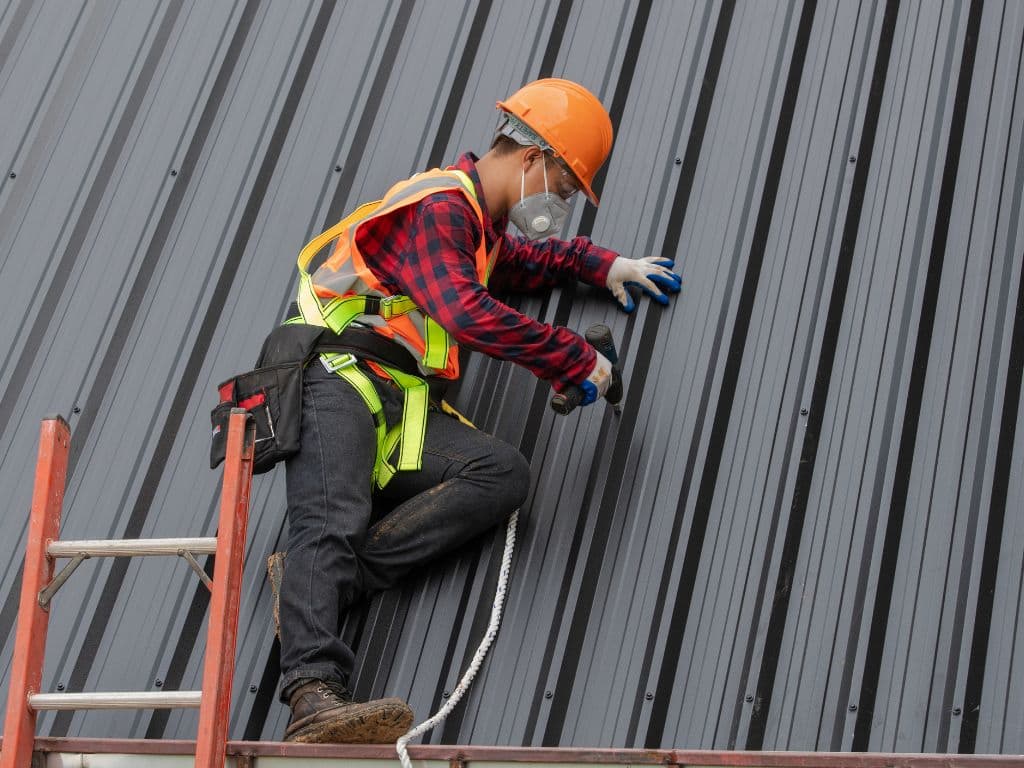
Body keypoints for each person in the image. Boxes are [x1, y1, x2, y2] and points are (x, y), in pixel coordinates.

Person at [273, 78, 681, 744]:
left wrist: (600, 264)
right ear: (530, 161)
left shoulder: (478, 232)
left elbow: (520, 265)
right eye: (566, 186)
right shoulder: (442, 208)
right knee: (332, 515)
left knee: (501, 475)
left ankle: (316, 587)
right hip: (335, 376)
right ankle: (313, 695)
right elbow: (465, 309)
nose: (564, 203)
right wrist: (573, 358)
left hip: (393, 400)